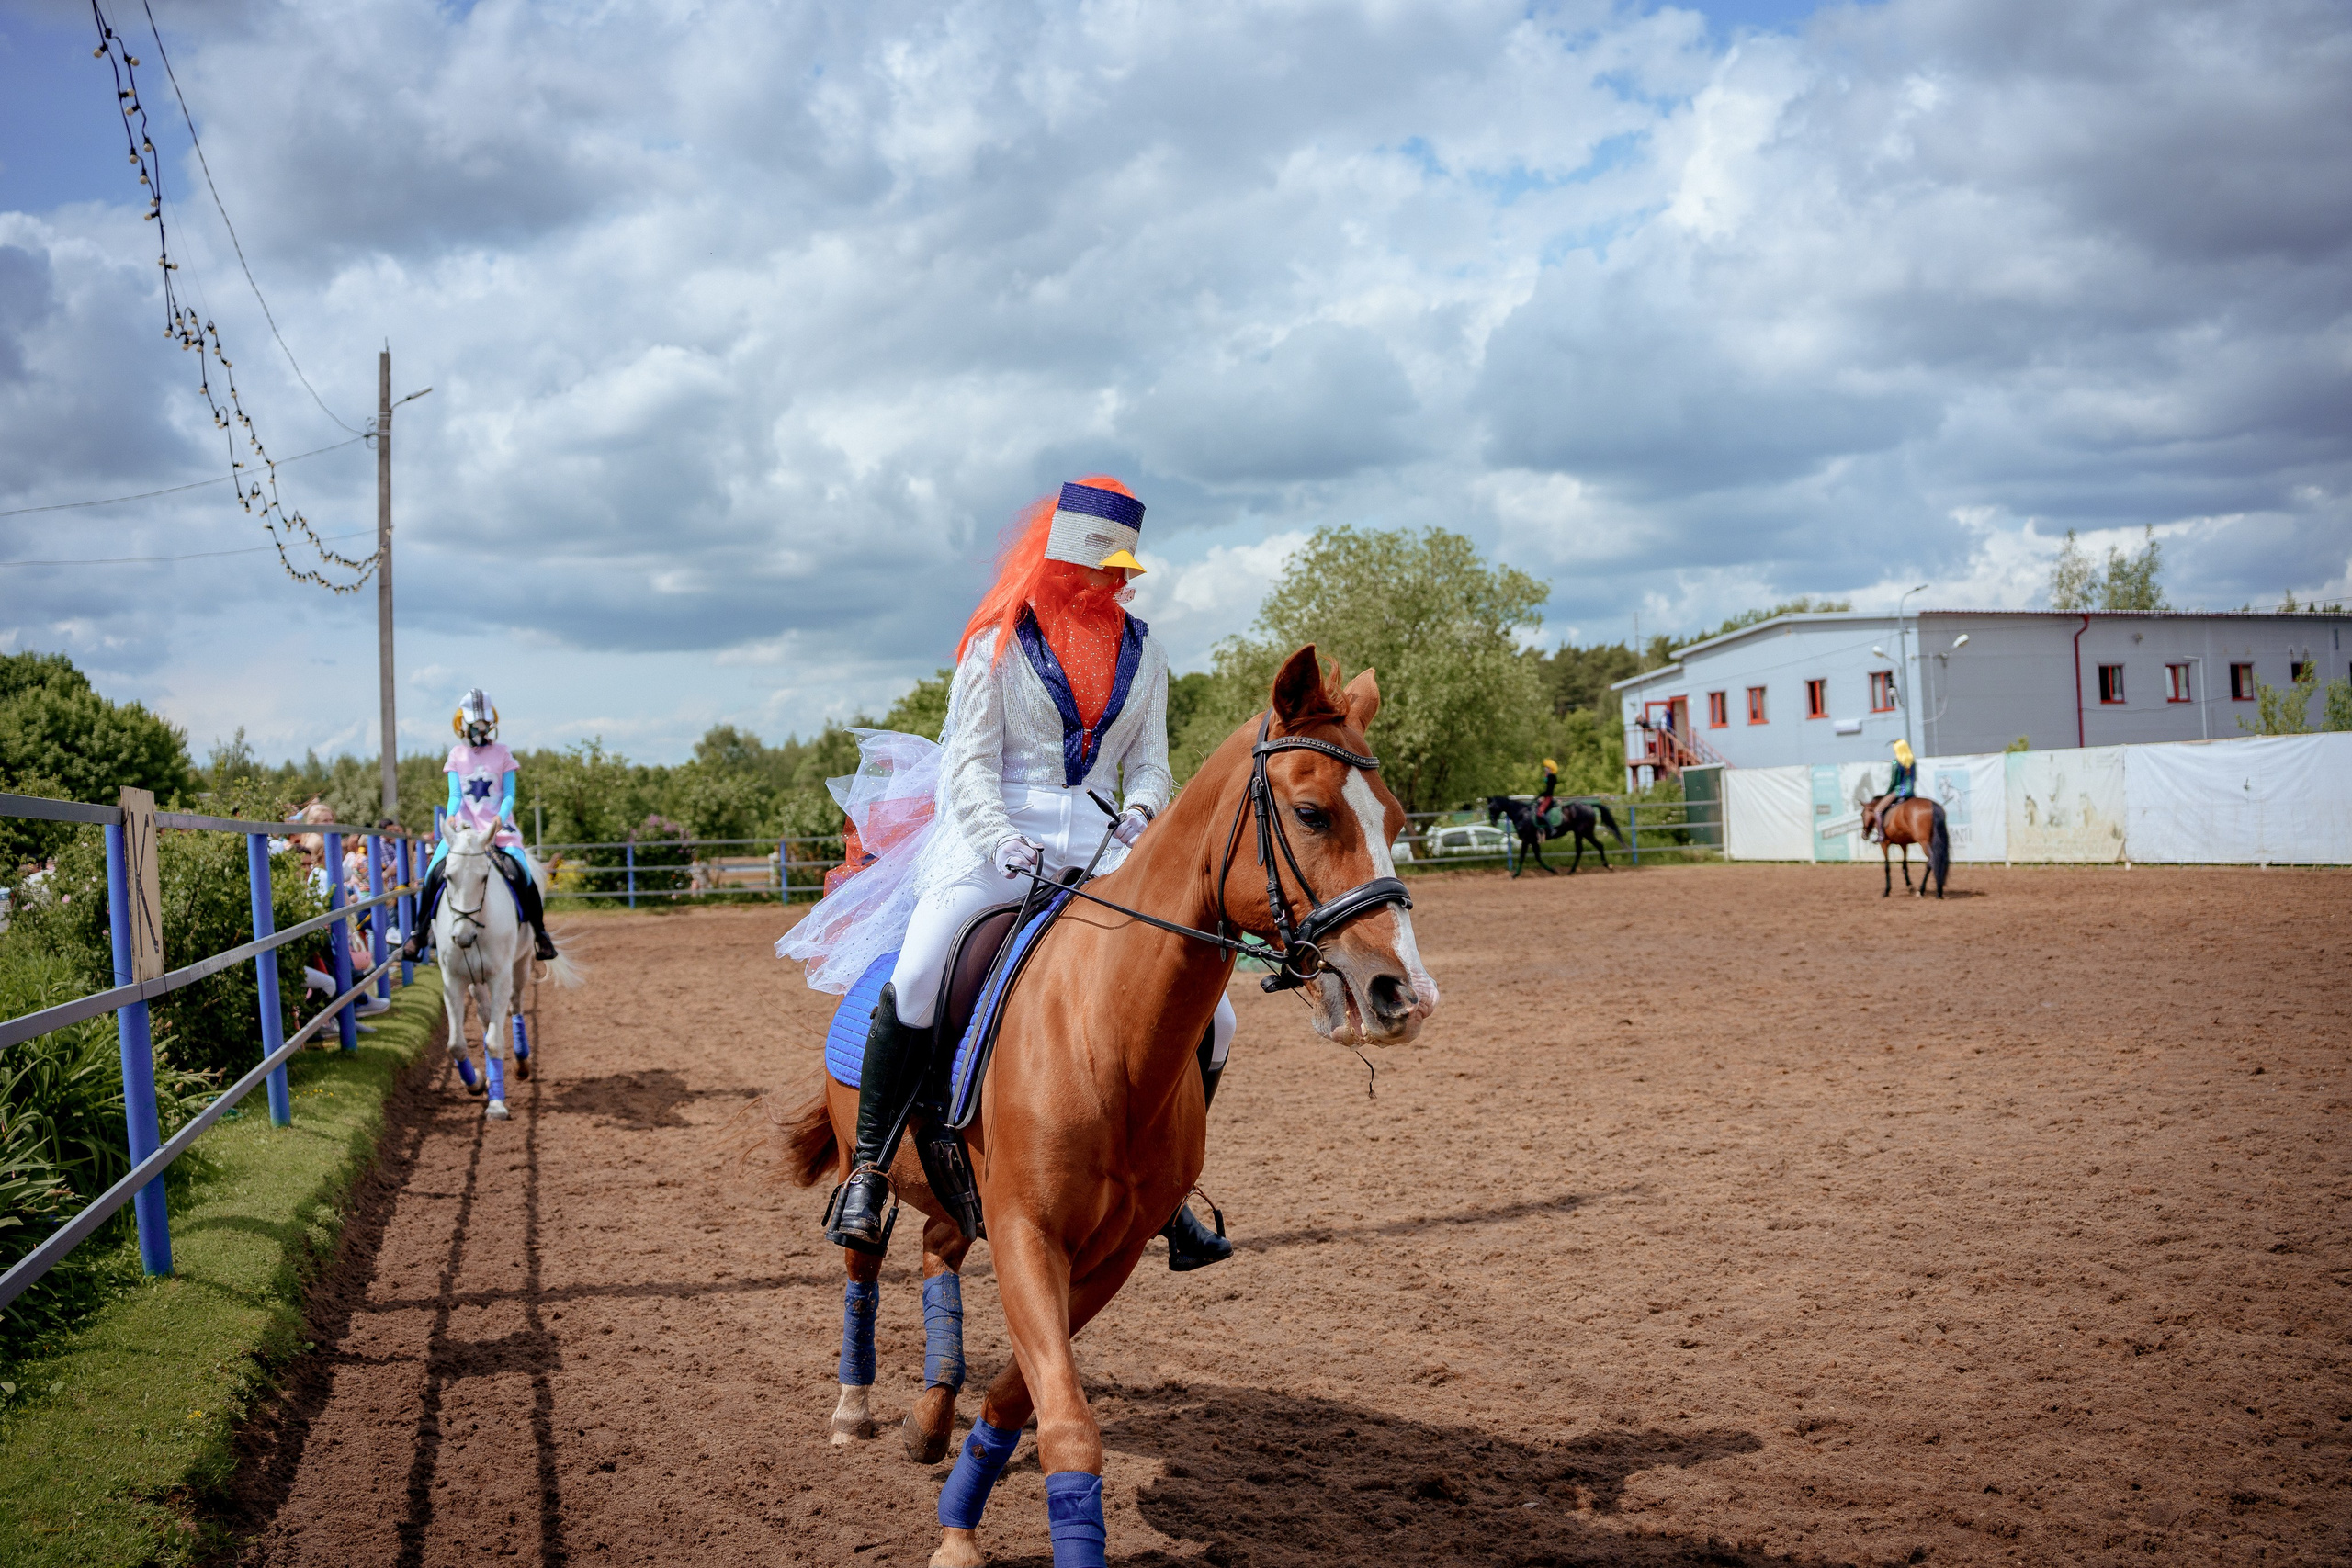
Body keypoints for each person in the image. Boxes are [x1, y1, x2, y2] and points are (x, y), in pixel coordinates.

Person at [799, 477, 1238, 1269]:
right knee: (925, 970)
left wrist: (1140, 814)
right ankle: (867, 1167)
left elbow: (1151, 763)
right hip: (994, 838)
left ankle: (1166, 1192)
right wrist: (1001, 839)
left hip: (1107, 847)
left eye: (1127, 570)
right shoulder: (995, 643)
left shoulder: (1147, 650)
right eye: (1110, 567)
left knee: (1223, 1017)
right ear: (1068, 561)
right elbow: (966, 766)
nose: (1124, 580)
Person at [400, 690, 559, 963]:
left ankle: (540, 934)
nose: (479, 729)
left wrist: (500, 818)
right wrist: (450, 816)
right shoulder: (456, 755)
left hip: (499, 830)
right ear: (464, 723)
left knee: (524, 875)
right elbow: (455, 795)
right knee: (433, 873)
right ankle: (420, 932)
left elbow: (509, 794)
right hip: (463, 830)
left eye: (483, 723)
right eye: (474, 724)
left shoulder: (503, 753)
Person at [1867, 739, 1917, 842]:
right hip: (1910, 792)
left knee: (1877, 811)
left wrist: (1887, 794)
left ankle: (1881, 835)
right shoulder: (1912, 761)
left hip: (1899, 792)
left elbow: (1894, 781)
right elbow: (1914, 778)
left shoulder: (1896, 762)